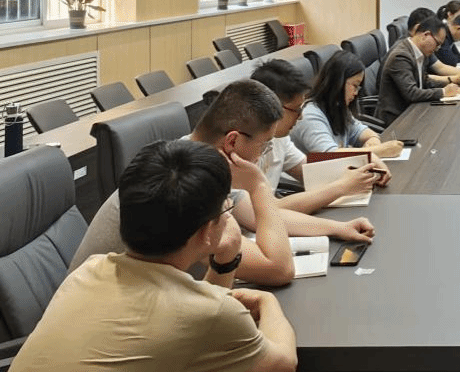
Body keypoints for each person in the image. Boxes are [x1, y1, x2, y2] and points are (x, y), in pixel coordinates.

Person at [1, 139, 347, 372]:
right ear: (208, 232)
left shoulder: (90, 270)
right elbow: (282, 367)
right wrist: (268, 303)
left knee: (233, 367)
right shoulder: (208, 314)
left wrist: (225, 261)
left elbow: (200, 328)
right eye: (225, 210)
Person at [71, 80, 374, 287]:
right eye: (264, 145)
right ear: (232, 141)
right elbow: (279, 268)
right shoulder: (186, 186)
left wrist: (337, 228)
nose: (264, 154)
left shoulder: (191, 155)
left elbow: (260, 217)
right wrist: (258, 185)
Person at [251, 57, 391, 208]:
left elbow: (311, 172)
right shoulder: (242, 151)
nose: (301, 116)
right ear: (272, 108)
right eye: (296, 110)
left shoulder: (280, 138)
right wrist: (342, 186)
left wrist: (366, 162)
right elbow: (264, 211)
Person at [292, 50, 403, 158]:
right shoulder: (309, 115)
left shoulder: (337, 106)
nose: (356, 93)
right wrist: (379, 150)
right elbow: (329, 155)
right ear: (338, 82)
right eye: (355, 86)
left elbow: (359, 130)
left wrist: (373, 139)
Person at [377, 9, 460, 126]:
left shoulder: (421, 52)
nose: (437, 49)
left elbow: (423, 80)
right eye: (437, 44)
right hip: (397, 119)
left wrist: (450, 84)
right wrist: (443, 92)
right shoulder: (401, 56)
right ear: (426, 35)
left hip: (413, 110)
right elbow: (411, 93)